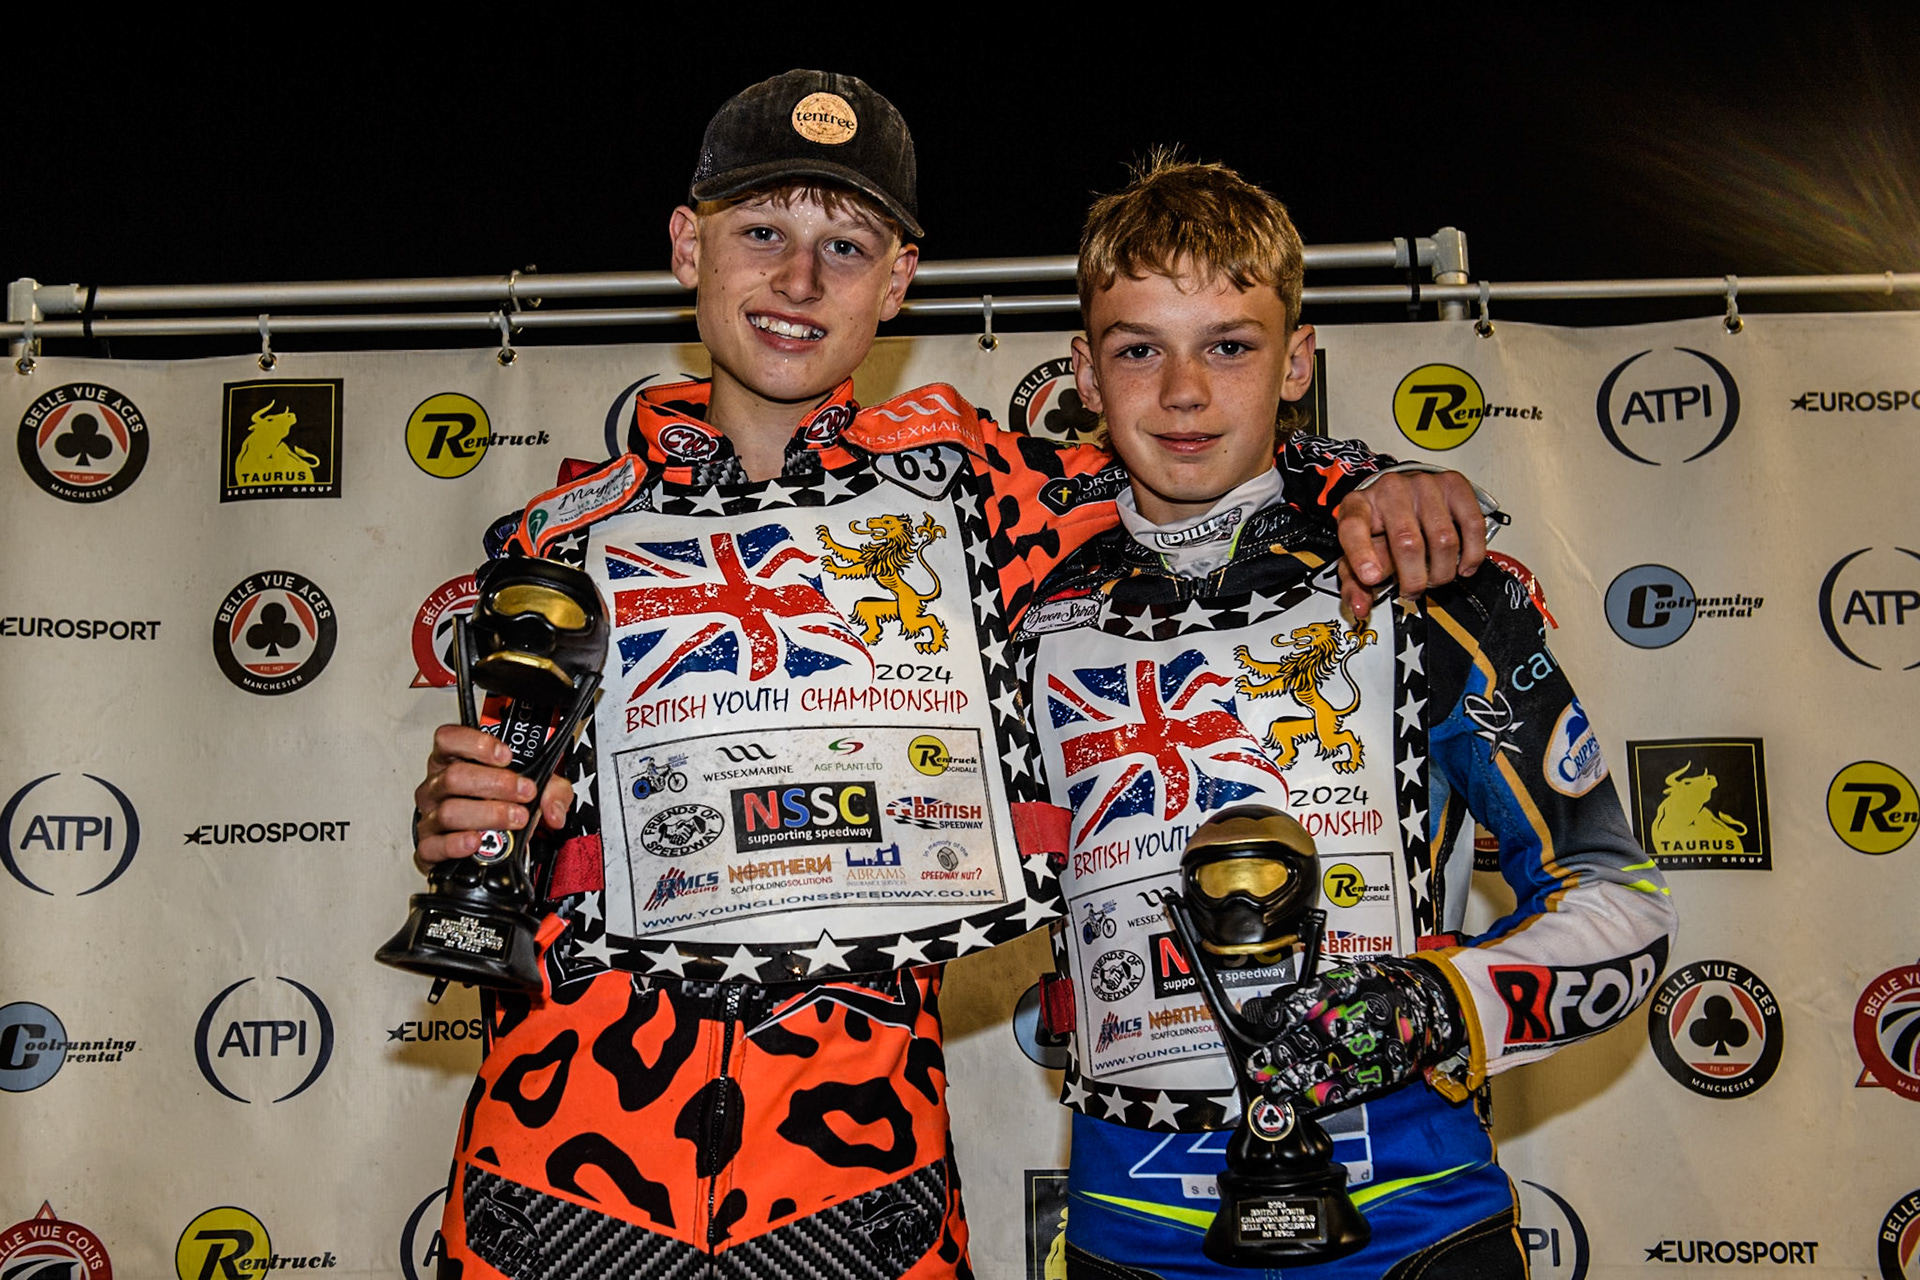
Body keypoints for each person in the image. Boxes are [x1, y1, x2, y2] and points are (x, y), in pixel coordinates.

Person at [409, 73, 1489, 1280]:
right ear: (687, 245)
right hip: (557, 1175)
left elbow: (1194, 464)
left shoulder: (987, 497)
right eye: (763, 231)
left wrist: (1368, 476)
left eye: (845, 243)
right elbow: (495, 831)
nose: (801, 281)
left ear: (899, 279)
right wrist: (458, 815)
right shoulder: (556, 535)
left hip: (853, 1195)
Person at [1014, 156, 1678, 1279]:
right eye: (1141, 347)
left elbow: (1623, 902)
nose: (1184, 391)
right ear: (1084, 370)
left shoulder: (1426, 580)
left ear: (1297, 360)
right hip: (1133, 1235)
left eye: (1230, 343)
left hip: (1410, 1221)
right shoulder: (1017, 607)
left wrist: (1438, 1001)